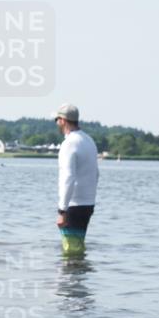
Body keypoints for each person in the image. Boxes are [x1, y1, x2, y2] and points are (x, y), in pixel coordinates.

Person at [55, 103, 99, 255]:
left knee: (70, 251)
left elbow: (68, 177)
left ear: (62, 120)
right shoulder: (89, 140)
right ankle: (81, 277)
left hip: (73, 205)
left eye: (57, 119)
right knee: (78, 247)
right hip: (88, 203)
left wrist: (62, 210)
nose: (56, 123)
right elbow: (96, 174)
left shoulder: (69, 143)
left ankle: (69, 278)